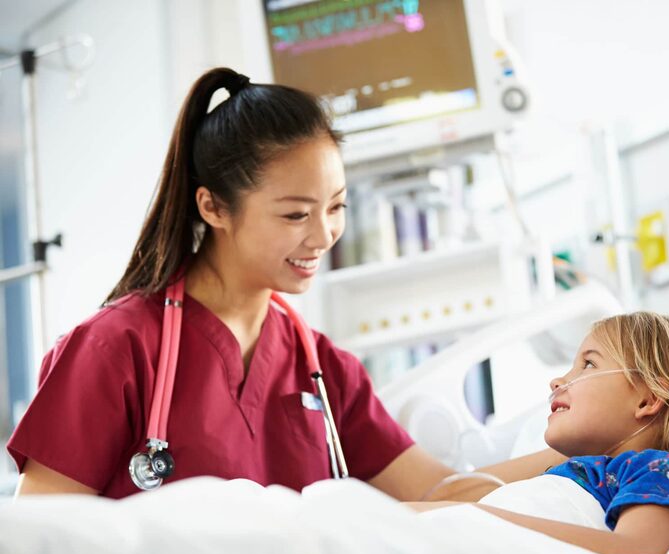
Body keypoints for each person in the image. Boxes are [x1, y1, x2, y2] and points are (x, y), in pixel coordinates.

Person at [6, 67, 565, 499]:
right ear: (213, 207)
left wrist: (593, 460)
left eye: (337, 207)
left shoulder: (324, 371)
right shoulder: (114, 349)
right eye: (296, 215)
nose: (323, 235)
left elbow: (441, 493)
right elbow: (45, 545)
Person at [409, 311, 669, 554]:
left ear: (648, 399)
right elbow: (442, 497)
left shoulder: (659, 470)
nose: (557, 381)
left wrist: (473, 521)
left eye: (589, 364)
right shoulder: (578, 472)